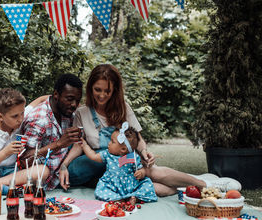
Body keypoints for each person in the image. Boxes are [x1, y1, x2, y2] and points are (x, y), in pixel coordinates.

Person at [59, 64, 241, 196]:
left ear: (114, 90)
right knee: (137, 183)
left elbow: (138, 139)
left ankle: (204, 184)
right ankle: (185, 185)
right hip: (101, 168)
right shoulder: (82, 113)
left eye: (107, 91)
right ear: (90, 88)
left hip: (124, 163)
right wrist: (64, 165)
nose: (102, 95)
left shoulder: (123, 108)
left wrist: (144, 152)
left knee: (150, 171)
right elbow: (78, 145)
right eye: (97, 89)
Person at [19, 73, 83, 190]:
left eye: (77, 100)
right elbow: (24, 161)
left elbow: (79, 144)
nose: (74, 105)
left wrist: (64, 165)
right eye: (69, 99)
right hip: (46, 179)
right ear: (56, 95)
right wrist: (58, 144)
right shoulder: (39, 119)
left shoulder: (69, 112)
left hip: (65, 168)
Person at [82, 124, 157, 203]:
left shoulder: (133, 157)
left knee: (147, 185)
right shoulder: (107, 154)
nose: (109, 143)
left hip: (130, 184)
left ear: (123, 149)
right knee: (100, 190)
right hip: (111, 184)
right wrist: (84, 145)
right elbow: (93, 156)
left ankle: (135, 197)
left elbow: (141, 168)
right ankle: (118, 199)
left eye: (112, 141)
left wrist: (141, 173)